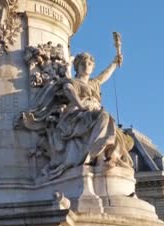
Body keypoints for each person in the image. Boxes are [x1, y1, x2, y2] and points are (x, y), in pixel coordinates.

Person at [20, 50, 133, 179]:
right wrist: (80, 105)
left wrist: (114, 63)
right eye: (83, 63)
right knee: (104, 117)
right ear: (77, 66)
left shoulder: (93, 83)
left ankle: (105, 156)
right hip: (75, 115)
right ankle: (96, 155)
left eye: (90, 64)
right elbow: (68, 90)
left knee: (110, 123)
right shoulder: (72, 82)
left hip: (92, 113)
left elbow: (104, 75)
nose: (86, 66)